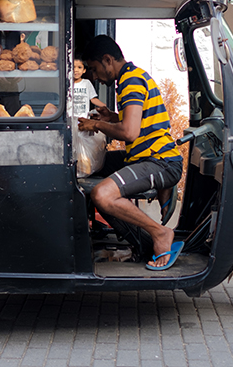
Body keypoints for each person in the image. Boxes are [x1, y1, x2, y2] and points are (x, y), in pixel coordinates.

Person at [78, 35, 183, 270]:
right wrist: (110, 118)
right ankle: (143, 245)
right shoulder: (129, 78)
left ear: (107, 60)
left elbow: (129, 132)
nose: (93, 77)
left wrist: (96, 125)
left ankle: (160, 234)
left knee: (102, 195)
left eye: (94, 69)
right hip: (144, 156)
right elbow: (137, 122)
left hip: (160, 160)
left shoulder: (131, 82)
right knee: (91, 168)